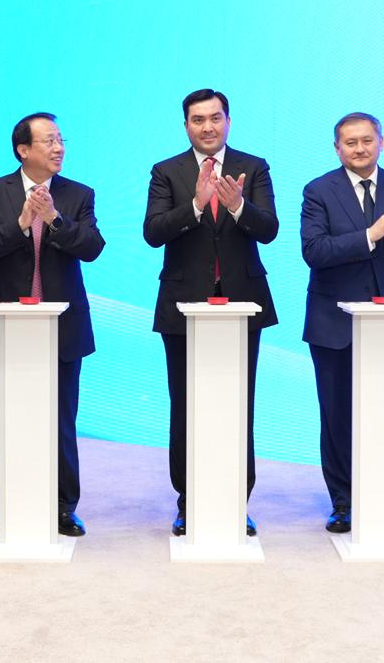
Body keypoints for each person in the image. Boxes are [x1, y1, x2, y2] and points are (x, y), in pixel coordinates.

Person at [144, 88, 278, 537]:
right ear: (186, 125)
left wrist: (237, 204)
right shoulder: (167, 171)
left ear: (228, 121)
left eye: (215, 118)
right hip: (183, 304)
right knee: (185, 406)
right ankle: (189, 500)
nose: (208, 127)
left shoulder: (253, 167)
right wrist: (197, 204)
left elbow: (269, 229)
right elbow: (153, 232)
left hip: (243, 302)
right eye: (198, 120)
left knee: (239, 405)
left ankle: (237, 500)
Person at [0, 112, 104, 537]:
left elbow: (92, 247)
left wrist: (55, 219)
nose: (58, 148)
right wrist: (22, 223)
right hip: (9, 326)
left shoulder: (78, 194)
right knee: (9, 420)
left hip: (63, 325)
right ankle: (14, 502)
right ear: (23, 150)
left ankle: (63, 507)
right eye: (49, 141)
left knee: (61, 420)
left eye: (61, 140)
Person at [300, 112, 384, 534]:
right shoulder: (318, 190)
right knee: (337, 418)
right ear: (337, 148)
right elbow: (315, 251)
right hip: (333, 323)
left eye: (367, 140)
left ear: (381, 142)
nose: (359, 149)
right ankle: (344, 503)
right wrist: (372, 234)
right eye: (350, 142)